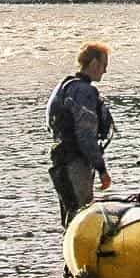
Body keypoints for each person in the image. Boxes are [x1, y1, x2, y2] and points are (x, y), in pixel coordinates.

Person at [47, 41, 114, 226]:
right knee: (81, 216)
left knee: (70, 216)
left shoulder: (64, 86)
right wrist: (101, 169)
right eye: (104, 65)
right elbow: (86, 136)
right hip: (75, 163)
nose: (105, 71)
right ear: (94, 63)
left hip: (60, 160)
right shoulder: (84, 92)